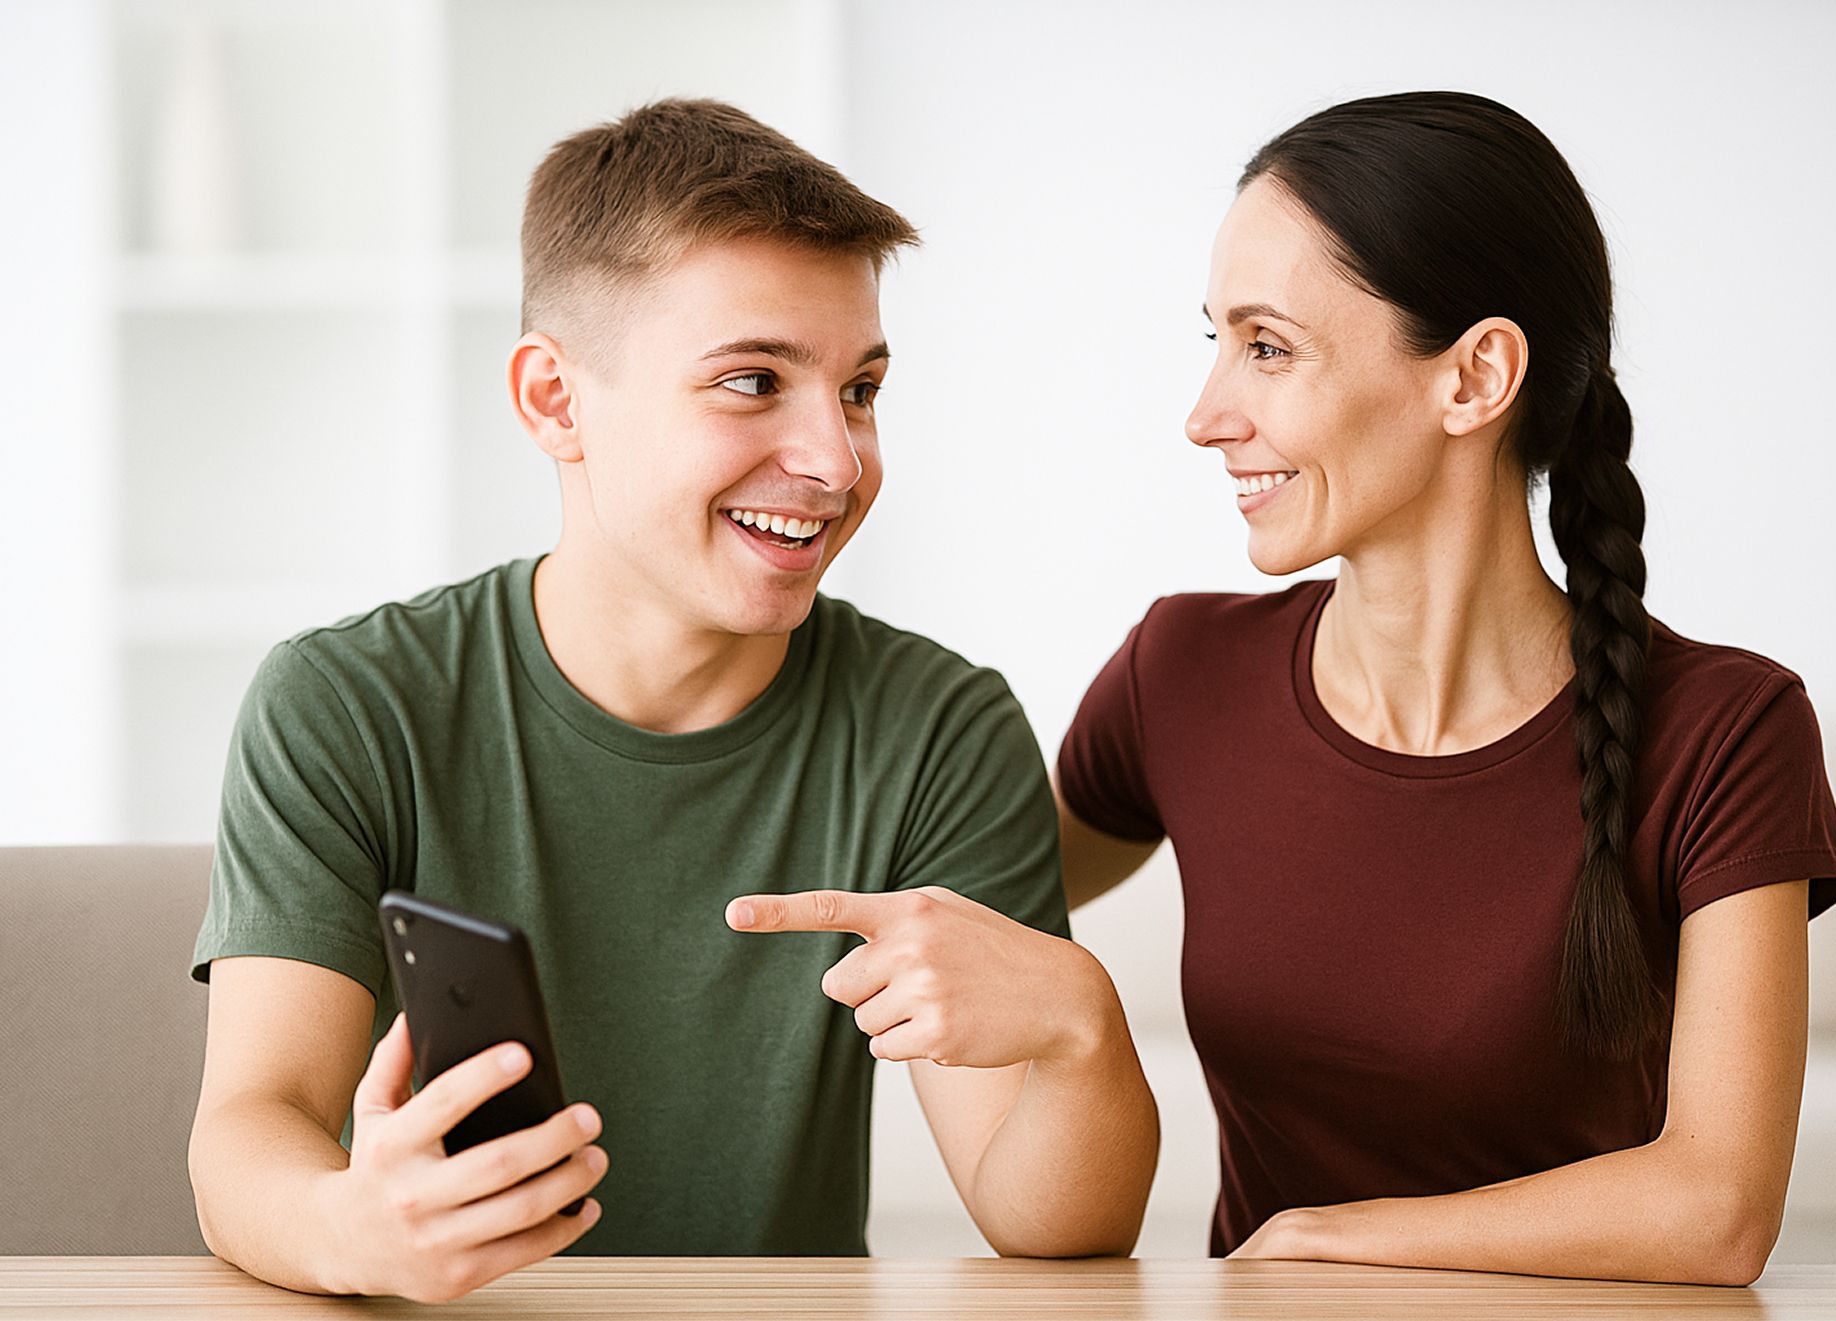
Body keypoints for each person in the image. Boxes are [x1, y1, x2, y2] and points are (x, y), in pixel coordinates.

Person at [188, 99, 1156, 1303]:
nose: (838, 460)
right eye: (754, 381)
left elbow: (1048, 1226)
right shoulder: (348, 703)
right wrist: (347, 1228)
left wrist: (1081, 1027)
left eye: (860, 390)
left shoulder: (937, 726)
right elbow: (249, 1123)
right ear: (554, 400)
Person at [1054, 91, 1836, 1287]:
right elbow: (967, 889)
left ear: (1475, 377)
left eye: (1268, 347)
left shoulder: (1728, 730)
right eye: (1214, 340)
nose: (1206, 414)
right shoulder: (1178, 671)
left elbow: (1717, 1207)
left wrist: (1330, 1235)